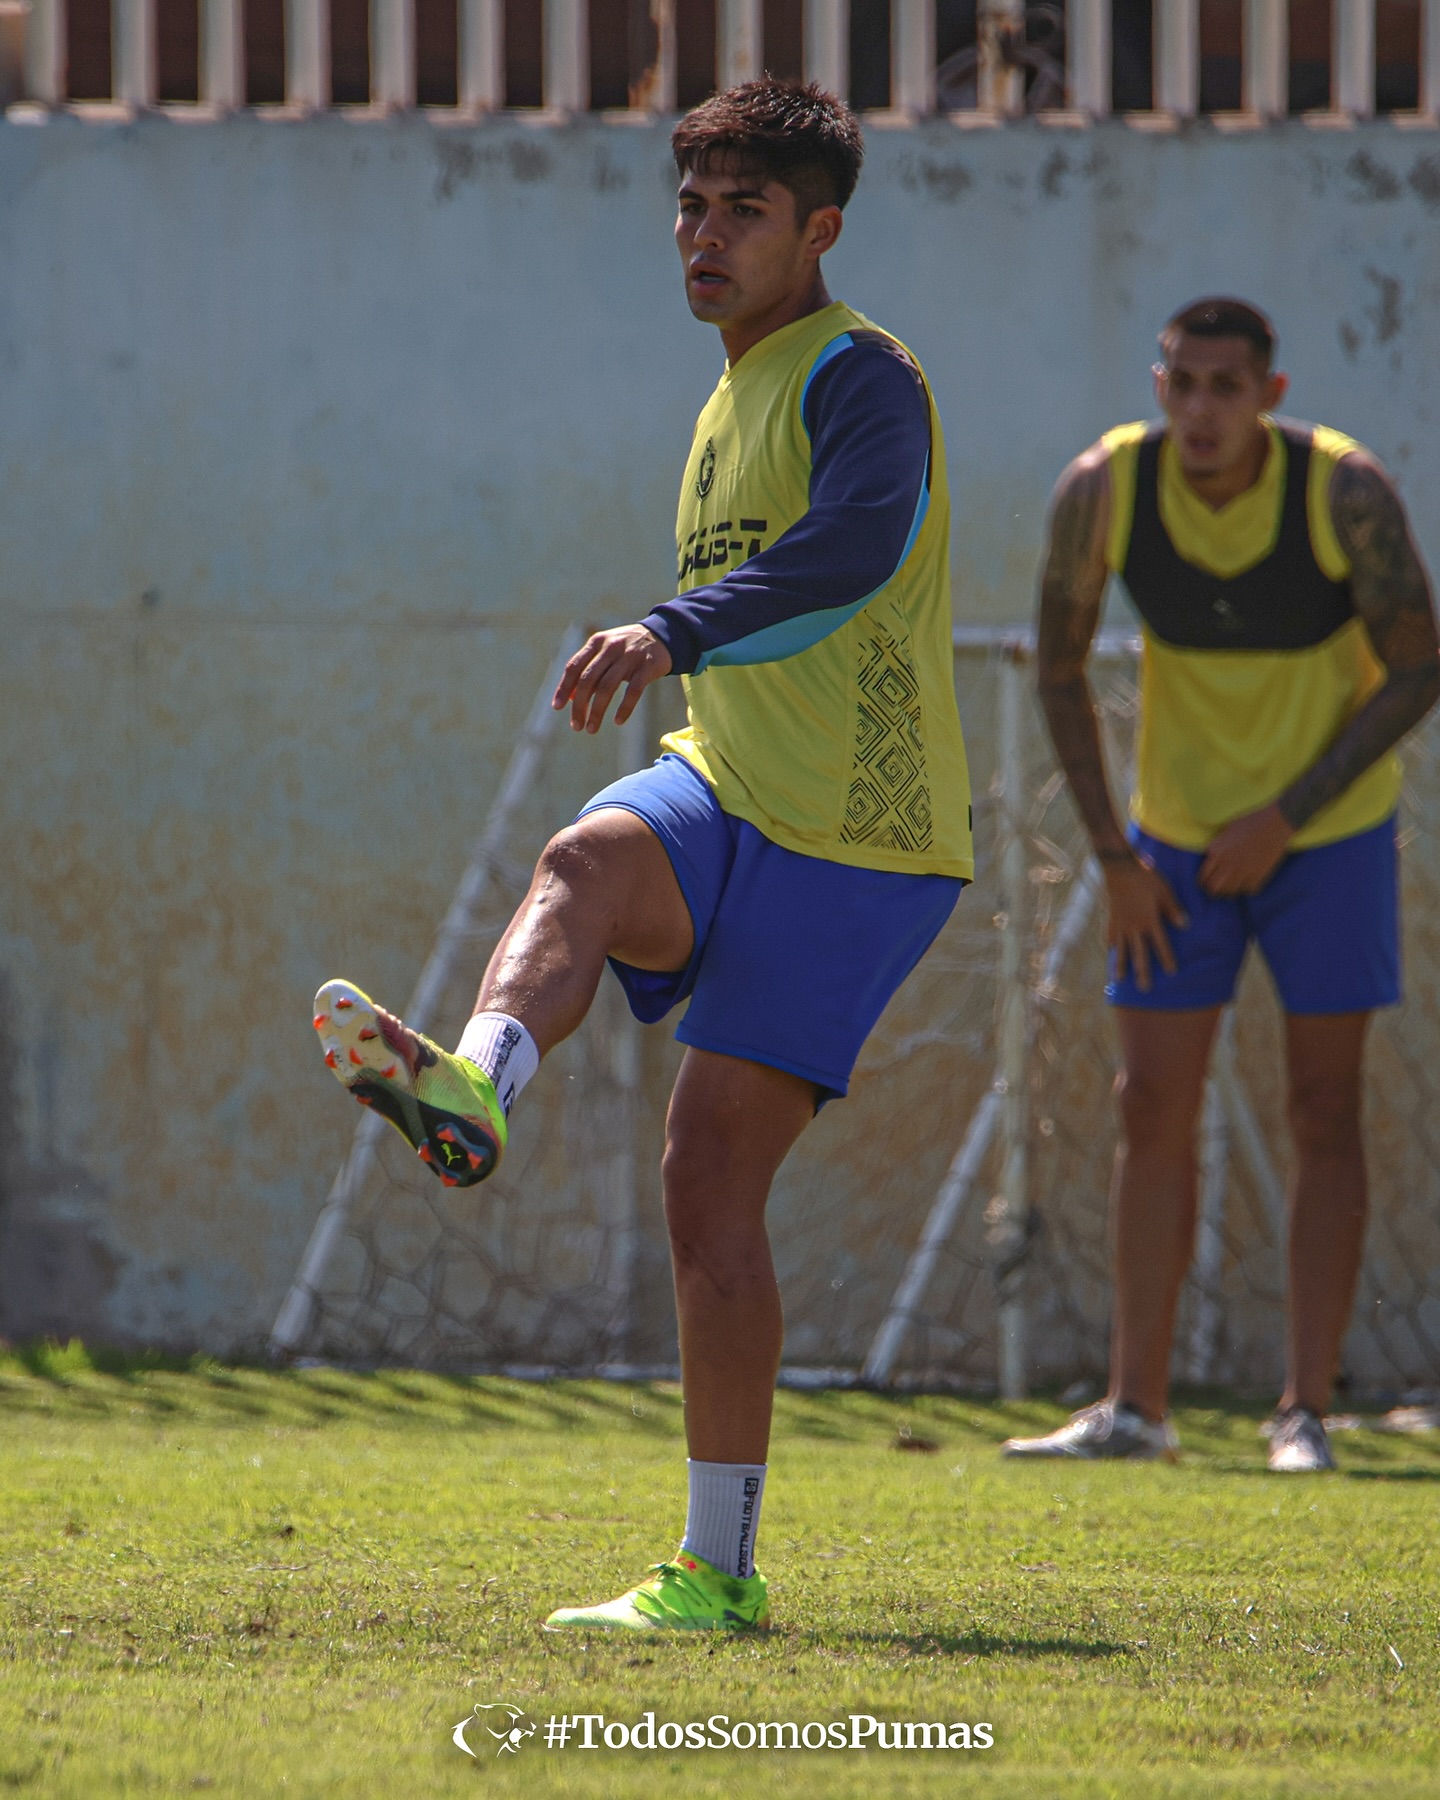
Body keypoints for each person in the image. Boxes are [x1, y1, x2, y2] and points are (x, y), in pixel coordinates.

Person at [312, 80, 973, 1625]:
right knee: (582, 862)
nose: (704, 235)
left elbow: (858, 547)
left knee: (704, 1181)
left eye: (743, 211)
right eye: (689, 206)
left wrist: (669, 625)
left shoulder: (862, 376)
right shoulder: (721, 397)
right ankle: (473, 1089)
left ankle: (716, 1574)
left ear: (819, 230)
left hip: (865, 838)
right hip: (729, 786)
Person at [1004, 297, 1439, 1473]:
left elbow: (1420, 665)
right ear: (1159, 384)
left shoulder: (1343, 490)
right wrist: (1115, 857)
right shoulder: (1103, 488)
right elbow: (1054, 673)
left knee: (1323, 1108)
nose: (1201, 411)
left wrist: (1285, 816)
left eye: (1226, 388)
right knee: (1148, 1103)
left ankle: (1303, 1410)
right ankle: (1135, 1408)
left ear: (1271, 397)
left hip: (1326, 837)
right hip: (1173, 850)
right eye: (1182, 383)